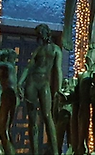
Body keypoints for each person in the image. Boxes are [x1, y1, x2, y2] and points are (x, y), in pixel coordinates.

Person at [18, 24, 63, 155]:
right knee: (32, 119)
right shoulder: (38, 50)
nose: (40, 35)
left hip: (44, 82)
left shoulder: (56, 50)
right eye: (39, 33)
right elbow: (28, 67)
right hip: (32, 81)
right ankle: (34, 151)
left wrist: (59, 89)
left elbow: (58, 70)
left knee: (47, 116)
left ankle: (55, 151)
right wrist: (20, 83)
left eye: (42, 32)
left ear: (47, 32)